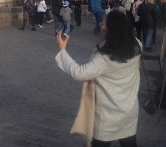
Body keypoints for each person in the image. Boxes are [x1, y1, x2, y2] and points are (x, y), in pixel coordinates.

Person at [55, 11, 142, 147]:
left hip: (108, 116)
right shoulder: (137, 46)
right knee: (129, 142)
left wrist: (62, 51)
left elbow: (79, 72)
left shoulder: (104, 58)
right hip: (129, 111)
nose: (100, 24)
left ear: (111, 30)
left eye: (103, 23)